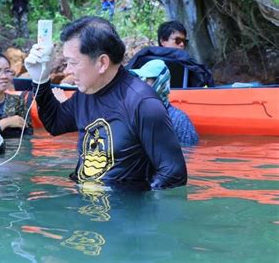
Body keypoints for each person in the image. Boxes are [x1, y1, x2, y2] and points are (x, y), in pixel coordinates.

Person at [24, 16, 187, 190]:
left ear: (102, 63)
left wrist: (132, 205)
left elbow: (173, 173)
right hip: (85, 202)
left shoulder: (143, 103)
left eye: (73, 63)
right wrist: (40, 79)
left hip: (122, 209)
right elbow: (55, 123)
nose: (67, 71)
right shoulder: (86, 93)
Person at [130, 59, 199, 146]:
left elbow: (188, 155)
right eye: (140, 79)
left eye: (147, 79)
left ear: (161, 81)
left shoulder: (179, 120)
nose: (141, 84)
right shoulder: (132, 116)